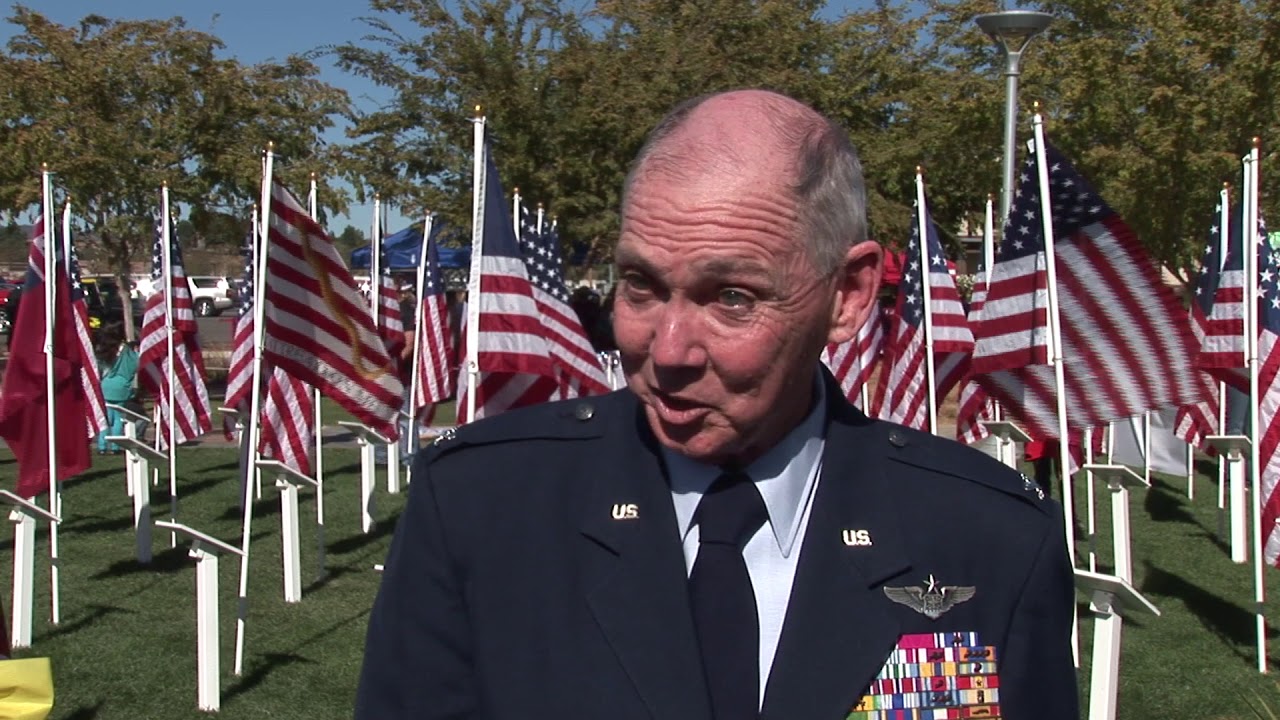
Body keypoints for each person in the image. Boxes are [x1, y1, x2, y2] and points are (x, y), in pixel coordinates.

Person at [356, 90, 1077, 719]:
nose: (667, 349)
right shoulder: (483, 507)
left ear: (849, 294)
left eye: (732, 297)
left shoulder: (989, 539)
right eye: (640, 285)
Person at [94, 321, 138, 454]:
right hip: (121, 387)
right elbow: (136, 363)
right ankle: (115, 446)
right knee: (118, 419)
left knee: (105, 419)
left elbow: (99, 366)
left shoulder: (104, 350)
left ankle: (102, 446)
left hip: (105, 386)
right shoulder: (127, 351)